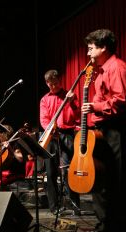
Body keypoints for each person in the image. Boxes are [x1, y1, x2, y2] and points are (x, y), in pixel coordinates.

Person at [81, 29, 126, 232]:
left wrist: (94, 106)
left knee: (117, 181)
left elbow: (121, 100)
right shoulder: (101, 71)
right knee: (102, 178)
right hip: (104, 130)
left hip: (117, 128)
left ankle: (117, 230)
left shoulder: (117, 67)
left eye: (91, 47)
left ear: (103, 47)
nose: (88, 52)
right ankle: (104, 225)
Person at [39, 69, 81, 215]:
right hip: (51, 135)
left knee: (69, 171)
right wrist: (50, 129)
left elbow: (77, 115)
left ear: (59, 80)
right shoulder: (44, 99)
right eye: (51, 85)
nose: (54, 87)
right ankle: (54, 207)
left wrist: (72, 103)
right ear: (47, 83)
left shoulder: (69, 95)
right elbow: (44, 119)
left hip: (67, 134)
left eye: (56, 83)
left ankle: (75, 204)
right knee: (51, 172)